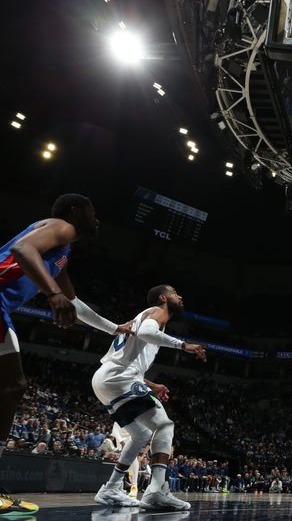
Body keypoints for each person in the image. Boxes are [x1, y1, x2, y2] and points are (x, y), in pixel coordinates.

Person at [0, 194, 134, 516]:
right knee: (12, 384)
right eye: (93, 210)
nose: (98, 218)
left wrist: (113, 328)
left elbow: (74, 302)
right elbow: (22, 250)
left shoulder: (63, 252)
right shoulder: (60, 227)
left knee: (11, 385)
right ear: (76, 211)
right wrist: (53, 294)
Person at [92, 285, 206, 510]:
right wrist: (183, 345)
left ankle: (111, 488)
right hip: (118, 377)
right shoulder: (156, 312)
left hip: (106, 379)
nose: (180, 296)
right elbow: (146, 333)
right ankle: (156, 490)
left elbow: (132, 363)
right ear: (163, 298)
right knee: (164, 425)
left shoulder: (144, 317)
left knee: (141, 433)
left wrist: (152, 385)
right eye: (175, 293)